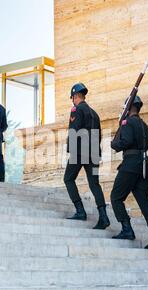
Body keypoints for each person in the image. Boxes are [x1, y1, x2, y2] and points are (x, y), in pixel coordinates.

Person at [110, 96, 148, 250]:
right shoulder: (143, 125)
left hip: (131, 163)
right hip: (143, 164)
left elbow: (125, 142)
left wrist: (114, 144)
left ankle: (127, 229)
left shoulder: (127, 122)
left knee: (116, 197)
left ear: (128, 107)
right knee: (144, 201)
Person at [64, 83, 110, 230]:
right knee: (94, 184)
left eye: (72, 98)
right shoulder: (94, 113)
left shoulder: (76, 109)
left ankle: (80, 211)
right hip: (94, 153)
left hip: (80, 151)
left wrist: (70, 150)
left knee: (68, 178)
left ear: (76, 96)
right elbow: (99, 135)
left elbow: (74, 130)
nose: (72, 100)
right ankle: (103, 217)